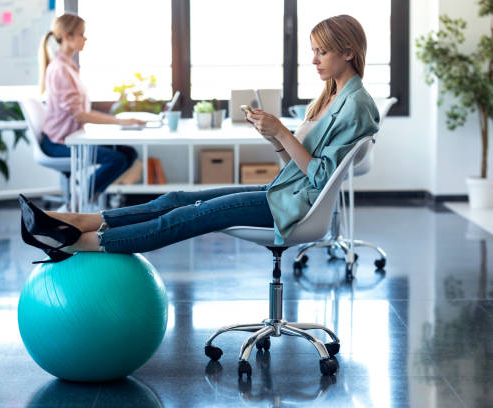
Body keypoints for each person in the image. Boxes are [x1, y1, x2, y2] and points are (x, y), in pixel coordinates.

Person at [20, 14, 380, 263]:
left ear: (348, 52)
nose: (314, 59)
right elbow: (296, 165)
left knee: (191, 216)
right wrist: (274, 138)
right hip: (284, 191)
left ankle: (76, 242)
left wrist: (283, 132)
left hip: (296, 207)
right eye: (313, 51)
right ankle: (75, 220)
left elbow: (319, 177)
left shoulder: (356, 105)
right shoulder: (329, 95)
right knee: (178, 197)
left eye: (322, 51)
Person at [39, 13, 145, 195]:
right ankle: (80, 199)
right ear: (67, 37)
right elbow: (79, 115)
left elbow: (79, 111)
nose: (85, 38)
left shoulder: (69, 67)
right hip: (59, 143)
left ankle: (86, 196)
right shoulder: (60, 69)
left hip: (72, 137)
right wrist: (120, 122)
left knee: (129, 153)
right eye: (81, 34)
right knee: (117, 160)